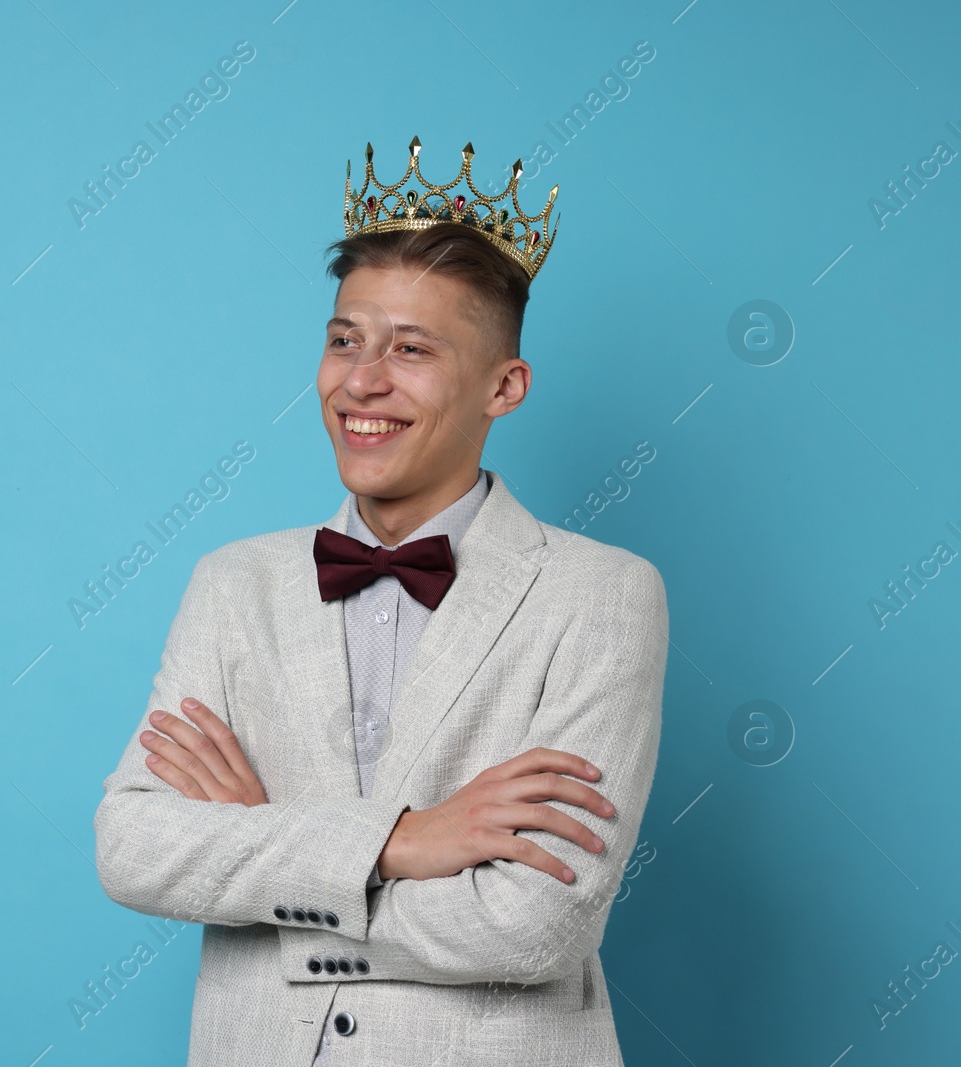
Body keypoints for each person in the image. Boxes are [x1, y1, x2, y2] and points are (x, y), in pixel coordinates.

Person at [91, 137, 670, 1066]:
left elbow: (536, 925)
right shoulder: (233, 580)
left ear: (504, 386)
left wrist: (259, 853)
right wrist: (407, 841)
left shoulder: (604, 594)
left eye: (412, 349)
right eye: (344, 340)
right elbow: (133, 846)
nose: (362, 381)